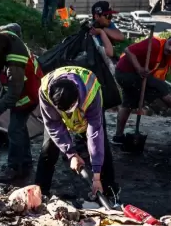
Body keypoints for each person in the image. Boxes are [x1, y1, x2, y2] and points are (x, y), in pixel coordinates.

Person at [35, 66, 118, 199]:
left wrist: (96, 176)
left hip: (88, 110)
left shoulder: (91, 93)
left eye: (71, 109)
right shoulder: (45, 91)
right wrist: (71, 153)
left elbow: (94, 133)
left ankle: (108, 190)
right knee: (48, 148)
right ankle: (40, 191)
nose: (70, 115)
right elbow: (53, 124)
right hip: (56, 115)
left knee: (101, 144)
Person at [0, 24, 43, 184]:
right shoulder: (5, 36)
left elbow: (13, 95)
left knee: (14, 130)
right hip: (24, 87)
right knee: (19, 129)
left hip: (28, 94)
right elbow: (15, 27)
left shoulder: (14, 67)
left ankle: (15, 169)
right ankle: (25, 164)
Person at [112, 31, 171, 144]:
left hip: (139, 77)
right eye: (170, 43)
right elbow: (128, 50)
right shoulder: (154, 44)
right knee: (160, 86)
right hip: (124, 73)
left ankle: (118, 136)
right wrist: (139, 68)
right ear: (167, 39)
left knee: (128, 104)